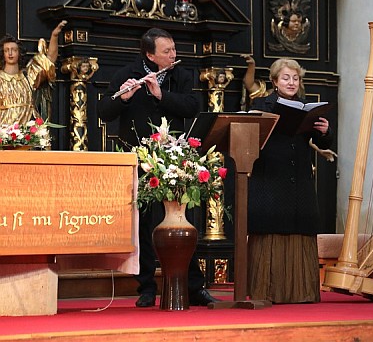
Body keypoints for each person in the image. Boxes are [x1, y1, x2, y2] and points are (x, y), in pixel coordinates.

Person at [97, 27, 219, 308]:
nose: (173, 54)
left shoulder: (181, 75)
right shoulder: (126, 73)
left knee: (181, 222)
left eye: (174, 49)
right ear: (150, 54)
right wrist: (124, 97)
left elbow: (191, 107)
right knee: (143, 227)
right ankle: (147, 287)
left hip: (172, 160)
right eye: (167, 51)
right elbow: (103, 112)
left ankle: (193, 286)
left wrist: (161, 94)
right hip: (139, 160)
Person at [247, 58, 332, 304]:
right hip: (270, 178)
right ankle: (268, 291)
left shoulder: (307, 107)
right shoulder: (261, 105)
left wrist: (326, 132)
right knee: (271, 230)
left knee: (300, 231)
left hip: (299, 181)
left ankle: (301, 292)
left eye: (295, 78)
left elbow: (324, 144)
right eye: (286, 78)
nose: (291, 82)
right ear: (275, 81)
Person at [0, 20, 67, 125]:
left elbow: (49, 61)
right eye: (6, 50)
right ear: (2, 54)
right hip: (4, 129)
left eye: (14, 50)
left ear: (19, 53)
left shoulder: (28, 76)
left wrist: (54, 36)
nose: (10, 53)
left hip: (28, 130)